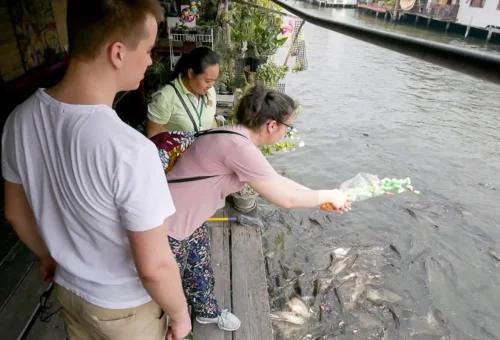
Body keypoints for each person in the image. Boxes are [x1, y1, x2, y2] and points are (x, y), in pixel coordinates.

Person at [1, 1, 191, 340]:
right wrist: (180, 314)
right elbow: (154, 267)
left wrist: (48, 255)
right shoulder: (130, 151)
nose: (151, 60)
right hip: (125, 311)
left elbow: (15, 212)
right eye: (148, 50)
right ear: (117, 53)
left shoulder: (21, 117)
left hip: (70, 293)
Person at [154, 84, 351, 332]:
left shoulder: (233, 135)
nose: (286, 132)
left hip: (188, 222)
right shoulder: (239, 148)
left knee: (199, 272)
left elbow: (276, 181)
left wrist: (322, 199)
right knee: (161, 295)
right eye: (288, 127)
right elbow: (286, 199)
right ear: (272, 125)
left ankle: (207, 312)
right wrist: (330, 194)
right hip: (167, 230)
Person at [145, 47, 220, 138]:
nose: (211, 85)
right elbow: (152, 136)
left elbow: (212, 121)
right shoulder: (166, 97)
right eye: (208, 81)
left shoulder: (210, 91)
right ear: (191, 73)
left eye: (214, 80)